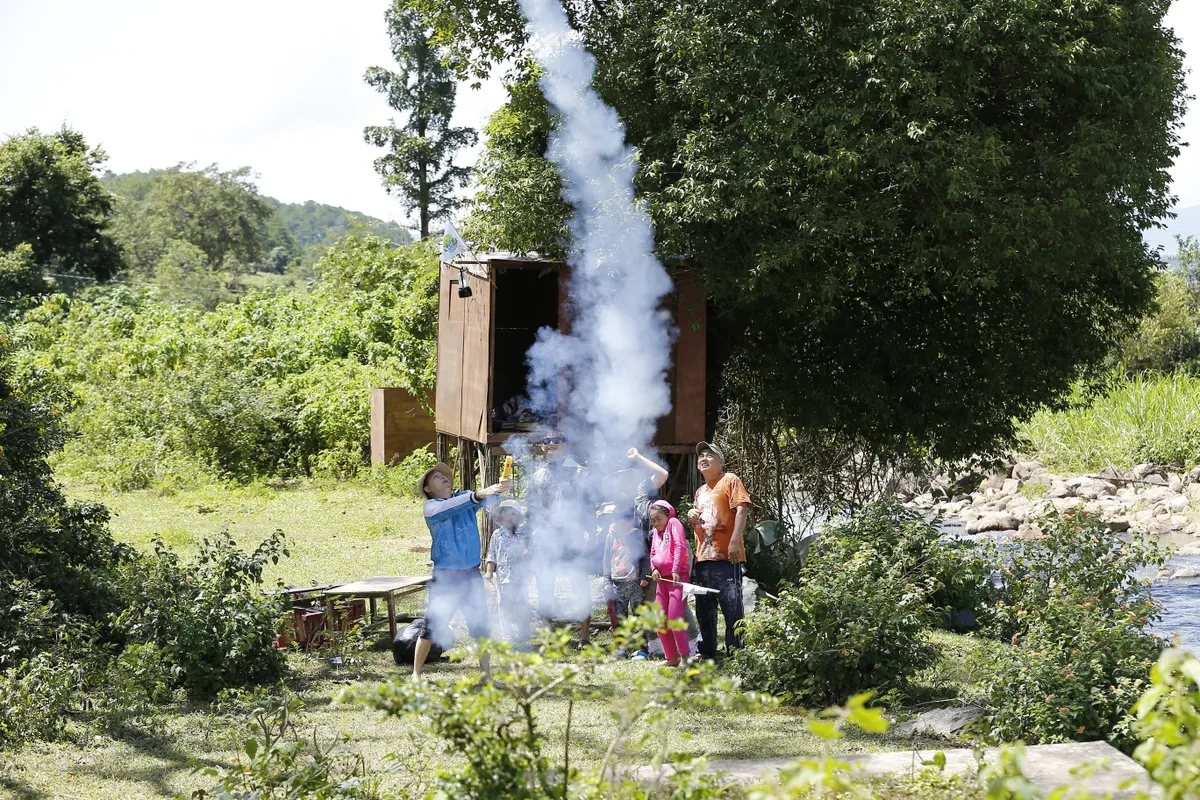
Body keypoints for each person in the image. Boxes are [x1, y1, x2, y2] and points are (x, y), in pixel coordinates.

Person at [412, 461, 510, 679]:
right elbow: (469, 500)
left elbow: (487, 500)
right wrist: (481, 493)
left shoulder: (464, 499)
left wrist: (500, 489)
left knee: (481, 627)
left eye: (443, 475)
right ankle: (416, 675)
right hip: (446, 577)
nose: (443, 478)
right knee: (431, 626)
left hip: (471, 575)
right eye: (436, 477)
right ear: (428, 489)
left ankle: (486, 676)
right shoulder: (431, 507)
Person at [526, 430, 593, 645]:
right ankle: (547, 636)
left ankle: (585, 637)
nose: (552, 443)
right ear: (542, 447)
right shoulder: (536, 477)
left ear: (565, 445)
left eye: (557, 440)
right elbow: (532, 509)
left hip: (572, 537)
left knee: (580, 585)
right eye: (547, 441)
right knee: (545, 585)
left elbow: (590, 506)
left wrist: (590, 535)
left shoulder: (580, 472)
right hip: (546, 538)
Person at [687, 441, 751, 659]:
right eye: (701, 456)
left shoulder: (730, 480)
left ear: (720, 462)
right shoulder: (700, 492)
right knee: (704, 607)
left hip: (727, 556)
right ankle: (706, 650)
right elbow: (700, 527)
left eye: (709, 455)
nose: (703, 458)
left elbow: (742, 509)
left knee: (731, 605)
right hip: (703, 557)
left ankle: (737, 651)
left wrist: (735, 541)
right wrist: (691, 518)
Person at [601, 507, 651, 658]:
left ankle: (641, 649)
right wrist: (606, 580)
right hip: (617, 584)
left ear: (631, 522)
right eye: (620, 522)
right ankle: (621, 648)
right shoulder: (611, 536)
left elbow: (645, 558)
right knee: (620, 617)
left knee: (638, 616)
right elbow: (606, 559)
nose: (624, 525)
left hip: (635, 583)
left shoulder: (636, 535)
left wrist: (644, 576)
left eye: (627, 522)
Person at [648, 500, 690, 666]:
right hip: (662, 580)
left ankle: (686, 658)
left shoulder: (674, 523)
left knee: (674, 617)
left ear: (667, 514)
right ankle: (671, 658)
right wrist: (654, 569)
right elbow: (652, 553)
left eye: (658, 518)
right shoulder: (655, 531)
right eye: (653, 520)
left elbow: (680, 546)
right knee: (660, 619)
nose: (656, 523)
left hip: (677, 578)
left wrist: (675, 569)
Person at [485, 500, 532, 645]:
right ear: (500, 518)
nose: (510, 517)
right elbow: (491, 554)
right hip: (503, 577)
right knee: (504, 604)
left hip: (521, 577)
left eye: (513, 514)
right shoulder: (497, 534)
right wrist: (489, 572)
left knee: (521, 603)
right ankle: (507, 633)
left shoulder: (525, 533)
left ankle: (523, 631)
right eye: (506, 514)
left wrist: (526, 553)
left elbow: (533, 551)